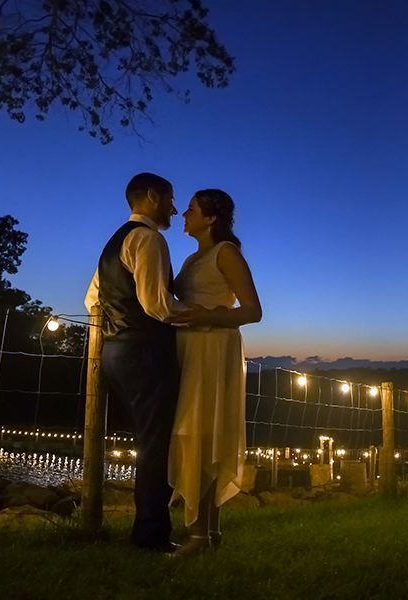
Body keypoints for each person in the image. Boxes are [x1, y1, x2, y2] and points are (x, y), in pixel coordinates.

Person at [84, 172, 182, 551]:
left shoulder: (113, 243)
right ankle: (151, 535)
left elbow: (91, 300)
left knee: (147, 442)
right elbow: (158, 306)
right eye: (171, 199)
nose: (174, 208)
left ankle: (149, 528)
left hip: (113, 353)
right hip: (146, 351)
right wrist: (204, 313)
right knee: (156, 445)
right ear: (154, 196)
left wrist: (116, 324)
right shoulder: (149, 239)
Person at [167, 188, 262, 557]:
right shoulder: (192, 260)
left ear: (210, 218)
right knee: (198, 432)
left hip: (213, 349)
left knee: (200, 432)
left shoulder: (227, 253)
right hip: (190, 348)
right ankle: (208, 532)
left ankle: (198, 535)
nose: (183, 215)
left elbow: (253, 311)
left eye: (190, 210)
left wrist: (207, 315)